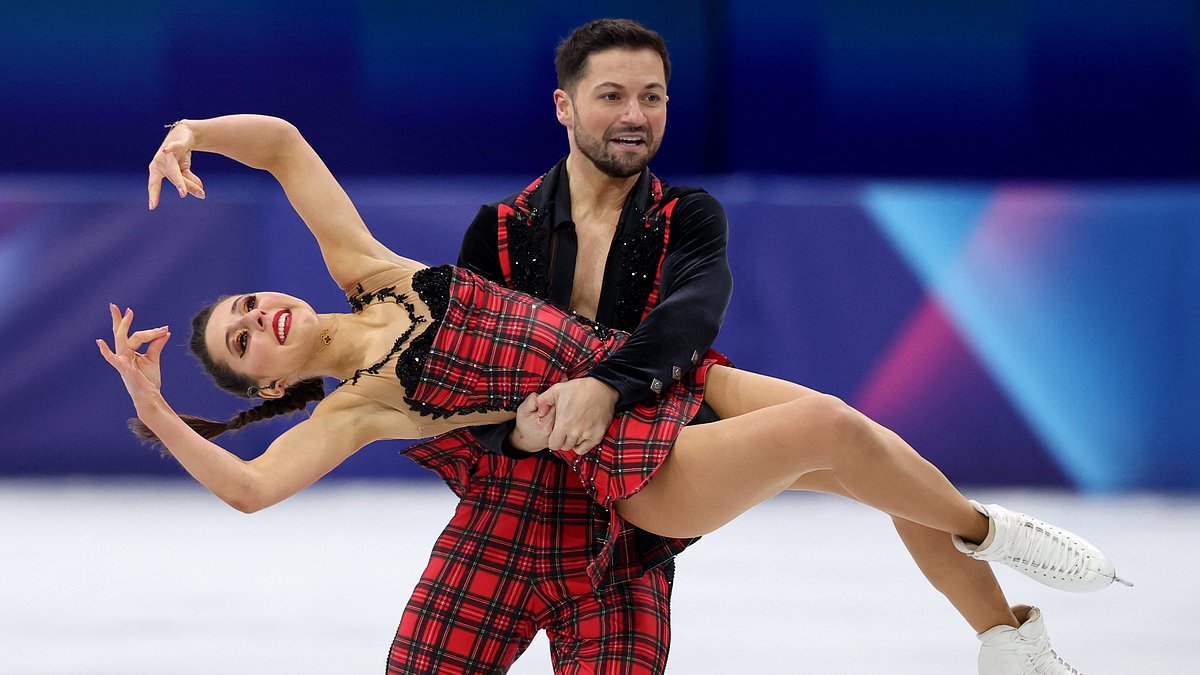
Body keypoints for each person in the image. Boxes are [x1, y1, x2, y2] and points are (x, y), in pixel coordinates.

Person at [102, 114, 1125, 673]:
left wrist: (191, 129)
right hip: (630, 458)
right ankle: (993, 533)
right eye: (243, 341)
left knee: (876, 459)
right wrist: (157, 415)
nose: (260, 319)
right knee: (827, 427)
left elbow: (283, 145)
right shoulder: (357, 405)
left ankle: (1008, 641)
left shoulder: (370, 269)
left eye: (248, 304)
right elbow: (252, 489)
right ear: (265, 379)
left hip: (654, 372)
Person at [388, 20, 732, 674]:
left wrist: (605, 387)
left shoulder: (686, 217)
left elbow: (691, 317)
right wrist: (516, 435)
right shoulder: (499, 228)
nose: (635, 116)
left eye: (652, 97)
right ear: (564, 106)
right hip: (502, 517)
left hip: (623, 532)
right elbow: (466, 377)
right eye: (612, 96)